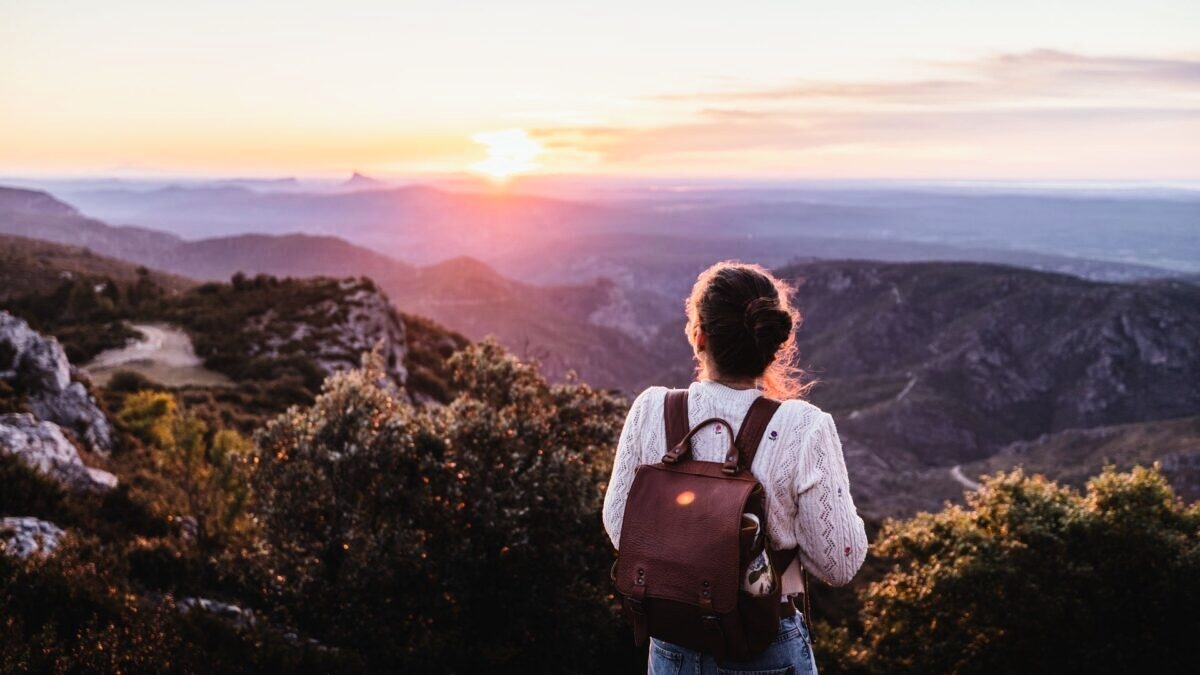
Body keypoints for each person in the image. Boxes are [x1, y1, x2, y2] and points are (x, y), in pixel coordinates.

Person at [602, 260, 869, 675]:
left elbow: (621, 528)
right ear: (774, 344)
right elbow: (838, 564)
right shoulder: (803, 427)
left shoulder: (651, 410)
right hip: (765, 644)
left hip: (672, 644)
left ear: (699, 335)